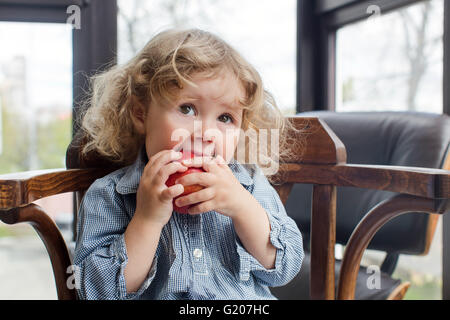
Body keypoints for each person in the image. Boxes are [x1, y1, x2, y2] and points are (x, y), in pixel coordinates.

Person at [74, 28, 304, 300]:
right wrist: (146, 220)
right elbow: (97, 293)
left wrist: (243, 207)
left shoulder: (249, 184)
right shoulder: (110, 194)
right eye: (187, 109)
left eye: (226, 118)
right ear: (141, 113)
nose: (207, 132)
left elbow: (284, 268)